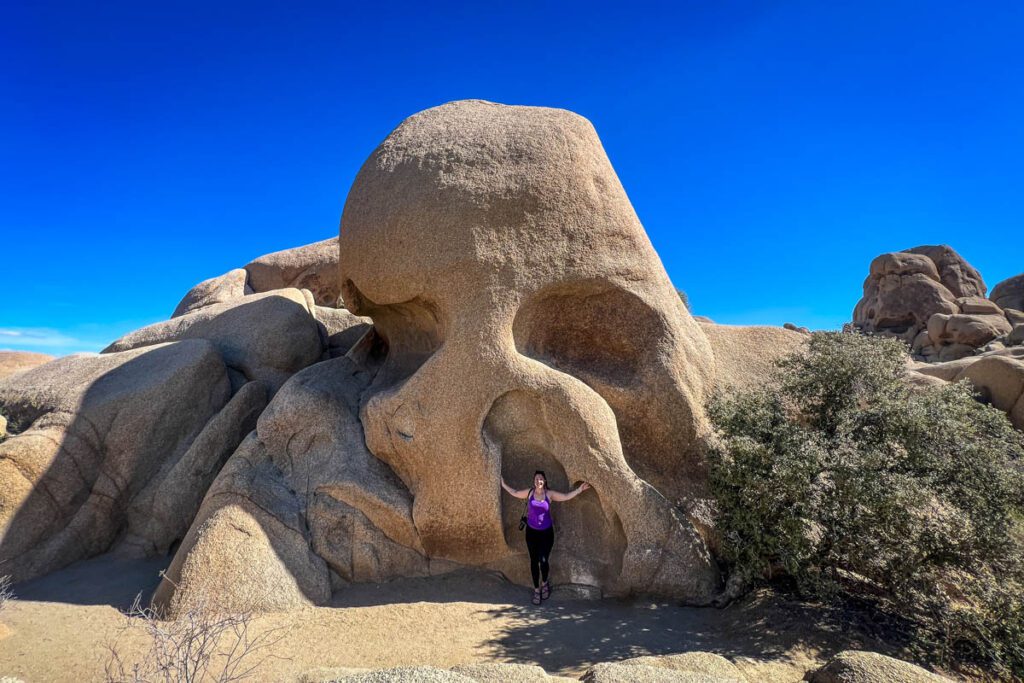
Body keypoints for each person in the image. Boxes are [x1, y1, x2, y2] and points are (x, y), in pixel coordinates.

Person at [500, 470, 591, 605]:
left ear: (545, 481)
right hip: (531, 533)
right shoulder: (530, 493)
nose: (538, 481)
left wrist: (579, 490)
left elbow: (565, 496)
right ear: (534, 481)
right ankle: (537, 590)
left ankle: (545, 583)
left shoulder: (549, 494)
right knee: (533, 561)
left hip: (546, 534)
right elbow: (515, 492)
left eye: (541, 479)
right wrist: (503, 484)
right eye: (536, 479)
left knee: (543, 560)